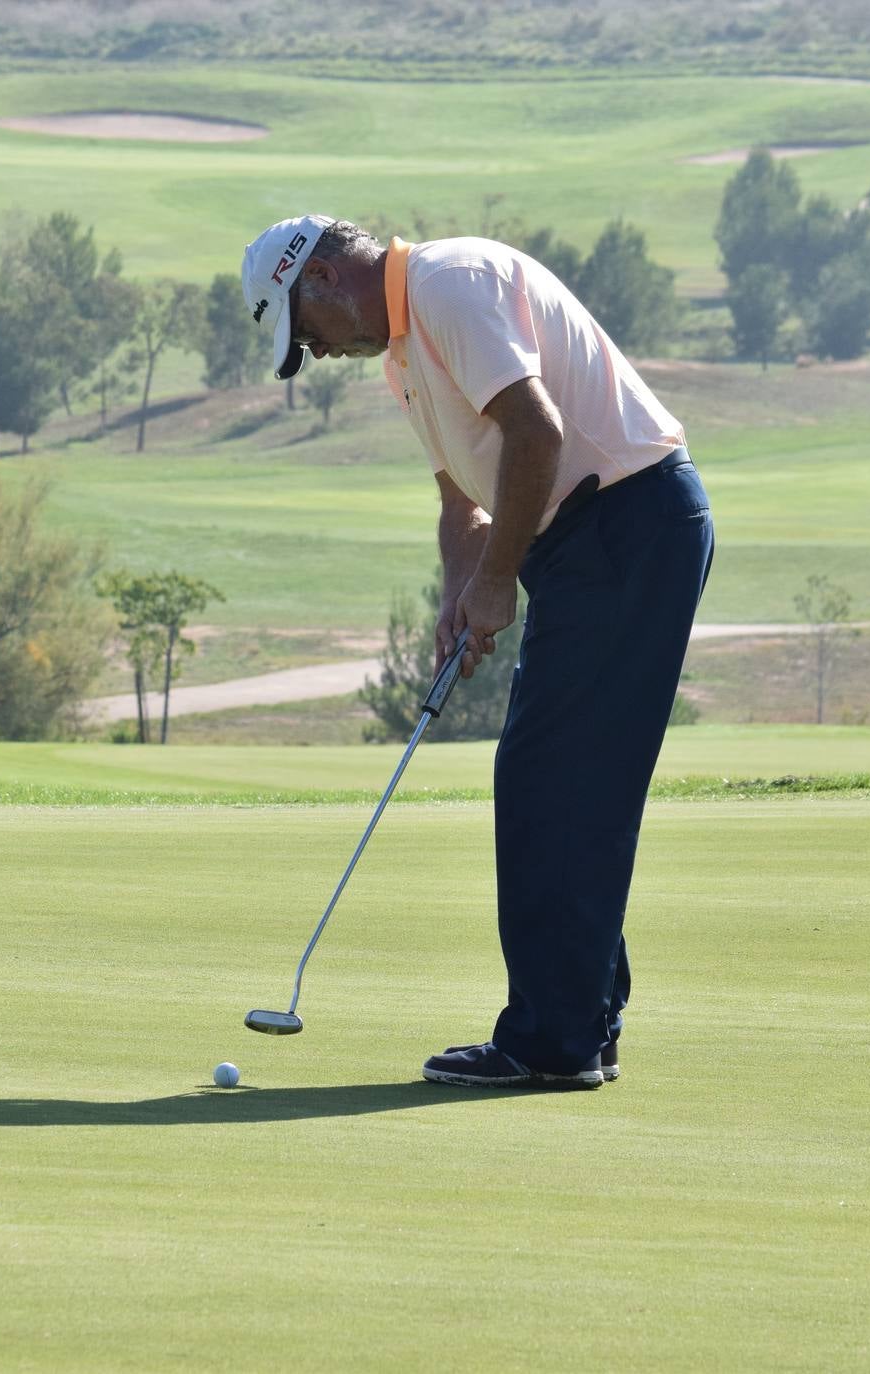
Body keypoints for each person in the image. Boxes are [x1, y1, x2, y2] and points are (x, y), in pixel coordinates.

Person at [240, 215, 714, 1090]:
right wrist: (465, 589)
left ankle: (551, 1041)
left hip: (627, 524)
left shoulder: (449, 286)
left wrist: (499, 586)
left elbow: (534, 434)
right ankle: (578, 1025)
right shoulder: (402, 356)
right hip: (591, 545)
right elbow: (464, 502)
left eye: (305, 332)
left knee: (557, 781)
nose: (316, 350)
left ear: (324, 281)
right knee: (556, 779)